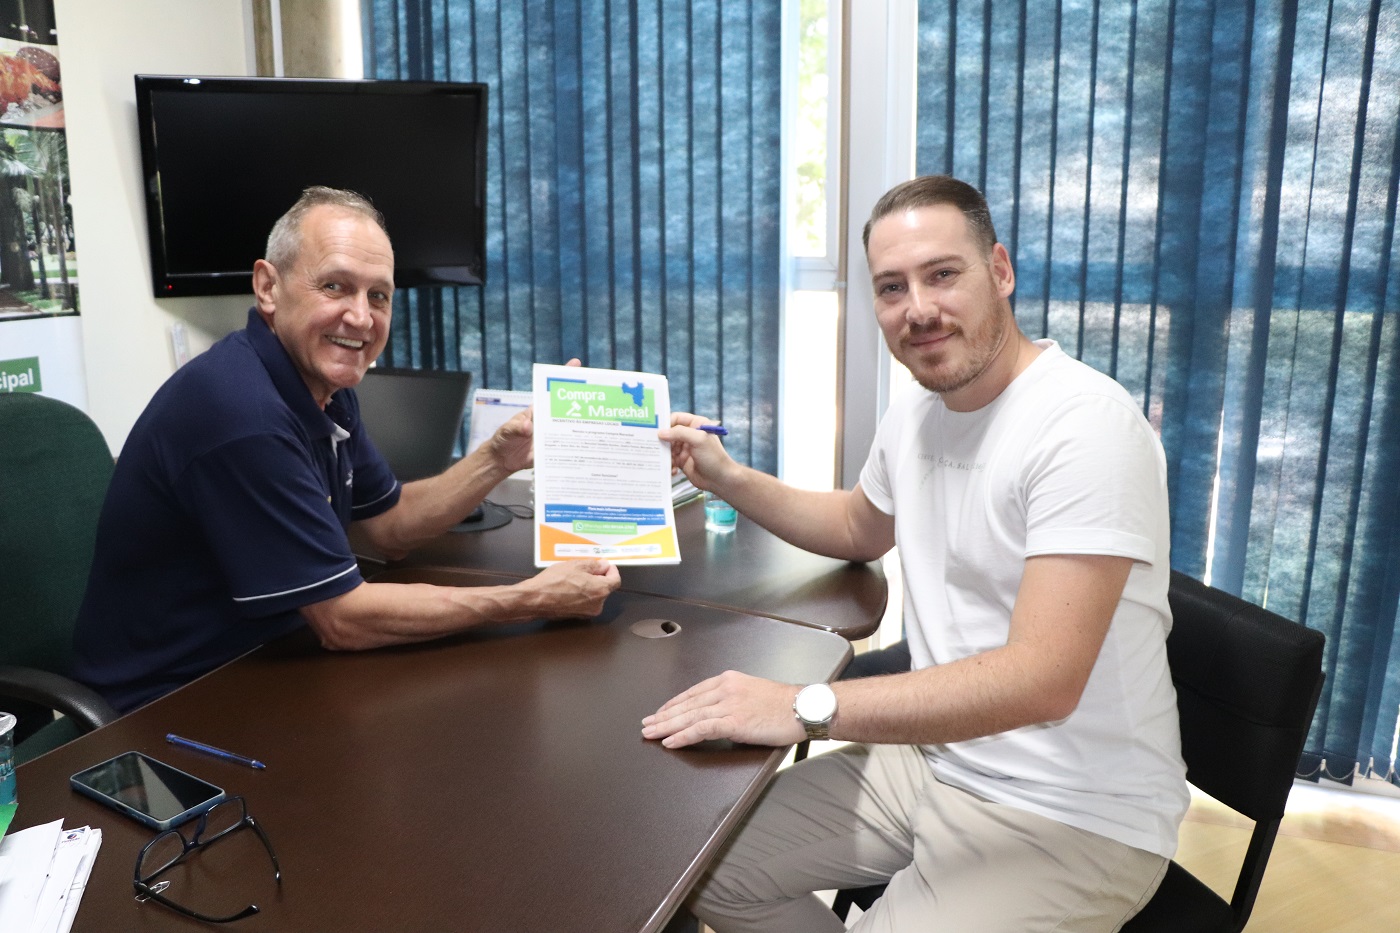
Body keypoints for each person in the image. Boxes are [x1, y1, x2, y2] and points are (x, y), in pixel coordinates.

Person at [644, 175, 1188, 932]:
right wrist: (728, 477)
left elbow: (1043, 681)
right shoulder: (919, 410)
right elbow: (857, 528)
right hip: (936, 758)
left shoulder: (1085, 426)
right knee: (694, 870)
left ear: (1000, 270)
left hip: (1072, 809)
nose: (919, 309)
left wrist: (802, 706)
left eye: (942, 274)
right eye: (892, 287)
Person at [72, 186, 620, 712]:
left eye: (378, 295)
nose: (361, 318)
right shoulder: (241, 414)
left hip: (269, 660)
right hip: (170, 705)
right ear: (268, 287)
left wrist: (499, 457)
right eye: (335, 286)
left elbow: (389, 527)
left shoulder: (323, 385)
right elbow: (344, 620)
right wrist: (533, 598)